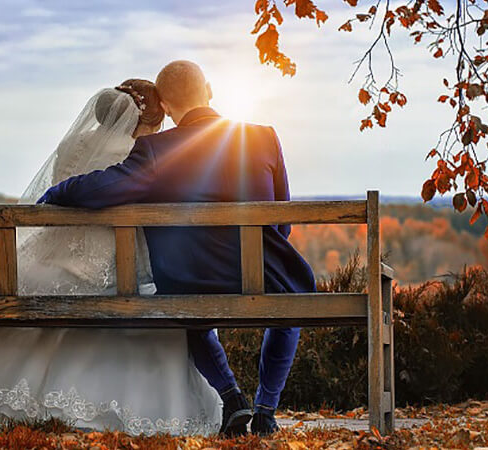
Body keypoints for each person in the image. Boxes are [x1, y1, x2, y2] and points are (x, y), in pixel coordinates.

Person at [0, 79, 221, 436]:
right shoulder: (139, 150)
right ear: (146, 117)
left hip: (53, 251)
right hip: (113, 260)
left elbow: (67, 192)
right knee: (155, 300)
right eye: (158, 121)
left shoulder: (71, 145)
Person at [38, 61, 316, 436]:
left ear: (166, 106)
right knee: (287, 305)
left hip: (194, 278)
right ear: (210, 90)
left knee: (184, 307)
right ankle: (266, 410)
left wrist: (57, 191)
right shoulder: (264, 137)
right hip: (267, 274)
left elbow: (102, 189)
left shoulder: (156, 149)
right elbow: (282, 219)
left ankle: (232, 396)